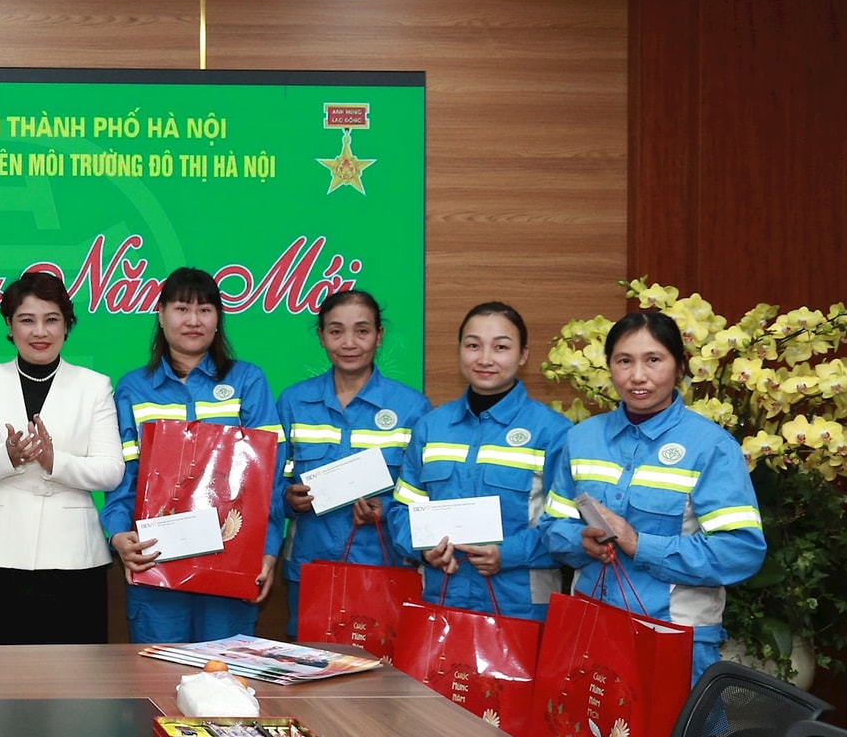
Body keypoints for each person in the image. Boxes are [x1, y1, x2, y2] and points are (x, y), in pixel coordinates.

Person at [540, 310, 766, 683]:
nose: (638, 376)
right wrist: (580, 541)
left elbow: (740, 550)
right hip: (590, 630)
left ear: (679, 367)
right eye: (624, 361)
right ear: (609, 366)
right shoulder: (581, 439)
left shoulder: (710, 447)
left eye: (654, 360)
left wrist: (639, 543)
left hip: (675, 637)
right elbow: (552, 528)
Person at [101, 267, 285, 643]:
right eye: (182, 308)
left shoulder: (248, 381)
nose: (193, 320)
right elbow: (124, 477)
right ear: (161, 314)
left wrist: (267, 551)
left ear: (218, 319)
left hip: (231, 561)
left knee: (225, 681)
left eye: (205, 310)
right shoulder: (133, 388)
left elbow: (269, 477)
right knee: (158, 681)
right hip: (157, 562)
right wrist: (119, 536)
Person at [0, 271, 123, 645]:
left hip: (74, 556)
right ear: (10, 327)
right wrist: (7, 457)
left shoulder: (94, 386)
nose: (39, 332)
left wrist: (55, 462)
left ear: (67, 326)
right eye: (27, 320)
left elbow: (111, 471)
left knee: (75, 679)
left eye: (51, 320)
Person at [388, 303, 571, 619]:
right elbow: (402, 510)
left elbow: (567, 526)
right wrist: (423, 547)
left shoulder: (553, 431)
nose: (485, 358)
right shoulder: (431, 427)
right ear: (460, 350)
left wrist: (508, 554)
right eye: (473, 345)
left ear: (523, 355)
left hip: (523, 606)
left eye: (501, 347)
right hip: (441, 598)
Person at [276, 290, 432, 638]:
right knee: (310, 672)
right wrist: (288, 499)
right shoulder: (293, 401)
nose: (349, 342)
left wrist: (386, 509)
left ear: (379, 335)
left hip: (384, 565)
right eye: (336, 331)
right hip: (309, 566)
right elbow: (272, 482)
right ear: (321, 337)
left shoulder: (412, 407)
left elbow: (426, 494)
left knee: (381, 677)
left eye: (362, 331)